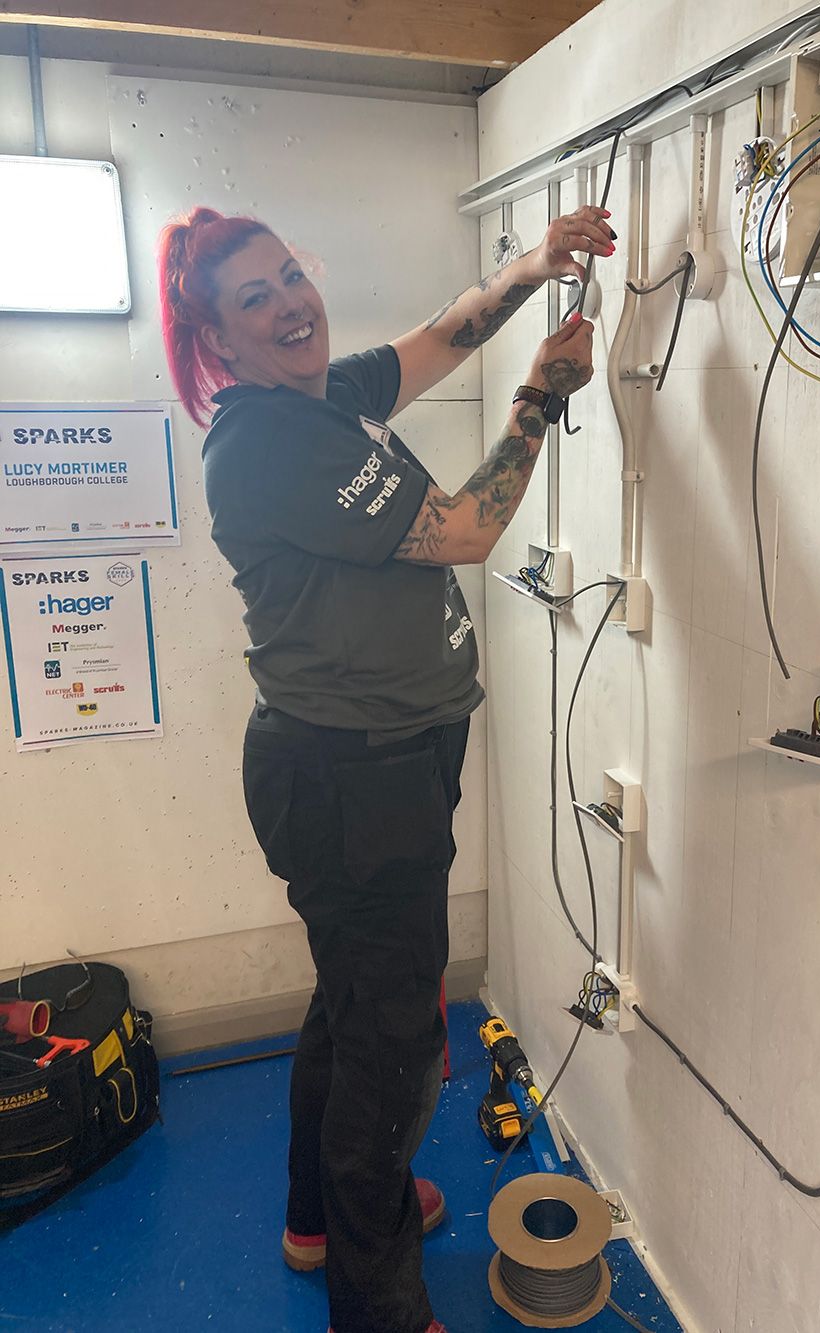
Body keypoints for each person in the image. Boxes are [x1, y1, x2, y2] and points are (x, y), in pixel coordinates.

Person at [157, 200, 614, 1333]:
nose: (286, 304)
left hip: (372, 763)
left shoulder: (325, 400)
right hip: (354, 779)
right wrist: (543, 399)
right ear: (215, 341)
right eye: (250, 299)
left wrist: (530, 266)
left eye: (287, 275)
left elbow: (441, 334)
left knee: (353, 1003)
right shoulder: (265, 441)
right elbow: (463, 530)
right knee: (395, 1045)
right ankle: (379, 1307)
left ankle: (319, 1215)